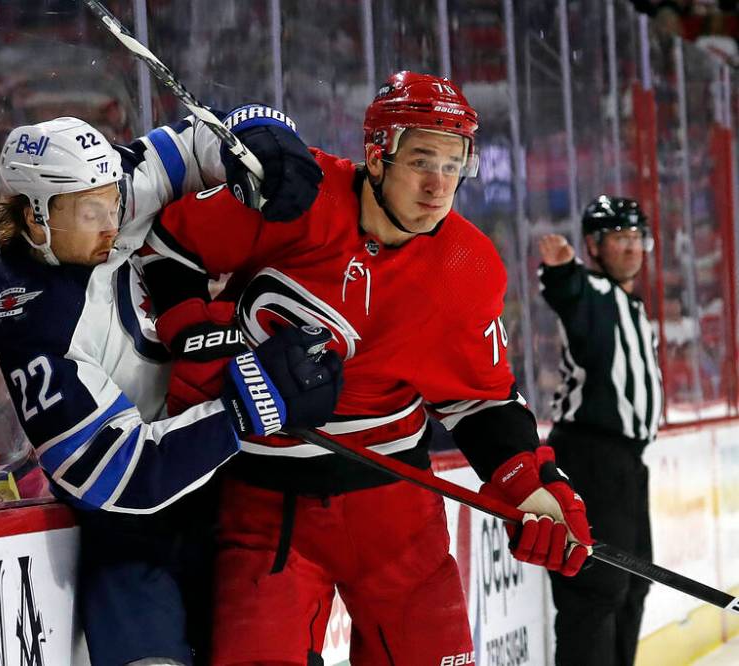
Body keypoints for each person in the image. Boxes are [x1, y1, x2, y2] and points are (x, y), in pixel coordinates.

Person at [142, 71, 594, 665]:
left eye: (454, 165)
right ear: (377, 157)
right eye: (421, 162)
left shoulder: (468, 265)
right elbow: (170, 247)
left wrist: (531, 487)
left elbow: (481, 401)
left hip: (395, 508)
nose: (439, 186)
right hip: (267, 501)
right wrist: (203, 338)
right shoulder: (294, 195)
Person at [0, 112, 339, 666]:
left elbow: (197, 139)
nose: (113, 221)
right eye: (91, 212)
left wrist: (258, 141)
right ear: (35, 218)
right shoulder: (36, 325)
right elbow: (118, 476)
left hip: (218, 502)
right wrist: (243, 410)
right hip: (130, 538)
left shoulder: (102, 199)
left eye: (113, 203)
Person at [538, 195, 662, 666]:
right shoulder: (591, 291)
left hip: (627, 465)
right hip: (590, 457)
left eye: (636, 238)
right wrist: (562, 270)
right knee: (595, 585)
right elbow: (567, 294)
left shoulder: (633, 307)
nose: (631, 249)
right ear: (594, 244)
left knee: (634, 581)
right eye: (618, 238)